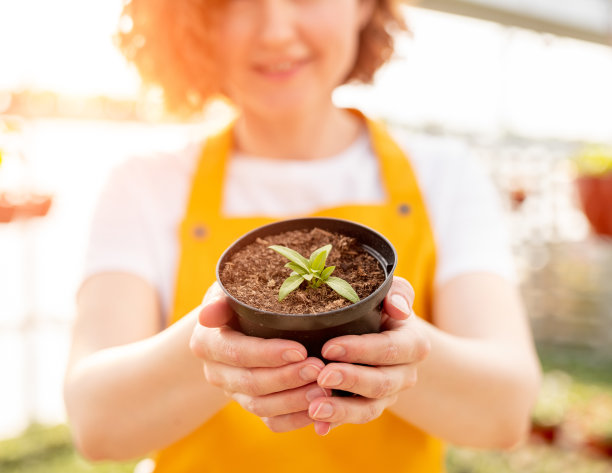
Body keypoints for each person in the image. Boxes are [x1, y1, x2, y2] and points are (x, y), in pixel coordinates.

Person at [64, 0, 542, 472]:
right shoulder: (145, 184)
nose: (274, 29)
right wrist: (221, 341)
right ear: (195, 18)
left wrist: (388, 344)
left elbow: (506, 413)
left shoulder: (444, 175)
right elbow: (95, 423)